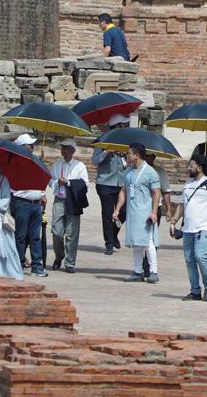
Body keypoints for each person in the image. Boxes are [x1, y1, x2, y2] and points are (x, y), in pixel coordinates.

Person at [169, 154, 207, 301]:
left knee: (200, 256)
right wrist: (174, 221)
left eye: (191, 166)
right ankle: (195, 290)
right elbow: (182, 205)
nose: (189, 168)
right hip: (188, 229)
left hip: (203, 227)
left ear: (199, 167)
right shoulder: (187, 184)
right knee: (189, 259)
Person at [113, 143, 161, 284]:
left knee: (148, 242)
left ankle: (153, 271)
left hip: (145, 213)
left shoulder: (150, 172)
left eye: (129, 153)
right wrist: (117, 209)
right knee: (136, 243)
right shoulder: (128, 173)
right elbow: (124, 191)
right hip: (132, 213)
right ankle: (137, 271)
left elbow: (156, 192)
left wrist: (154, 212)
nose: (127, 156)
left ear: (137, 156)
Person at [10, 133, 49, 278]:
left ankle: (37, 266)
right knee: (20, 235)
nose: (33, 148)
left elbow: (41, 179)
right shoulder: (16, 164)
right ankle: (18, 263)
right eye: (30, 145)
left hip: (36, 203)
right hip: (22, 203)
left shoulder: (36, 161)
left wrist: (42, 193)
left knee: (35, 237)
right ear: (22, 147)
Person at [50, 139, 90, 274]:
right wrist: (57, 182)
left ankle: (70, 262)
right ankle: (59, 255)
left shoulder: (80, 166)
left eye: (67, 148)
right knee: (56, 231)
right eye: (62, 148)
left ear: (73, 150)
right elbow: (50, 180)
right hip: (59, 199)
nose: (64, 150)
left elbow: (85, 185)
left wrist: (68, 183)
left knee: (72, 233)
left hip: (73, 200)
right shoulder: (57, 164)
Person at [92, 113, 129, 255]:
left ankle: (113, 234)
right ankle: (108, 243)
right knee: (107, 213)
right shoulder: (102, 141)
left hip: (120, 182)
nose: (125, 127)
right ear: (116, 126)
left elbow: (127, 160)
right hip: (105, 182)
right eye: (123, 125)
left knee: (123, 212)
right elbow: (95, 160)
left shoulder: (124, 141)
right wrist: (106, 152)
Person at [140, 151, 172, 277]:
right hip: (138, 208)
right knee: (139, 239)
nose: (148, 158)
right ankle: (139, 267)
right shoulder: (136, 170)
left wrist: (168, 208)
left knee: (152, 238)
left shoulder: (160, 172)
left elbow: (166, 191)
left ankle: (148, 266)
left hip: (154, 208)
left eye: (150, 156)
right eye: (145, 155)